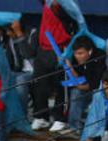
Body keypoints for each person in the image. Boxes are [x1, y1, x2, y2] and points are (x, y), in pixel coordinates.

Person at [30, 0, 76, 131]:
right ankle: (41, 117)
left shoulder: (66, 6)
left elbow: (69, 17)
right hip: (44, 48)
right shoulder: (47, 3)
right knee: (39, 83)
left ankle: (60, 119)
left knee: (61, 85)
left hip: (60, 48)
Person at [63, 36, 105, 135]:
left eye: (81, 53)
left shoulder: (100, 57)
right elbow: (78, 79)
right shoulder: (75, 58)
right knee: (76, 92)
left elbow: (94, 85)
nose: (77, 56)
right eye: (76, 53)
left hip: (100, 91)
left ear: (89, 51)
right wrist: (70, 68)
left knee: (84, 92)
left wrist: (78, 86)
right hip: (86, 89)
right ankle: (74, 128)